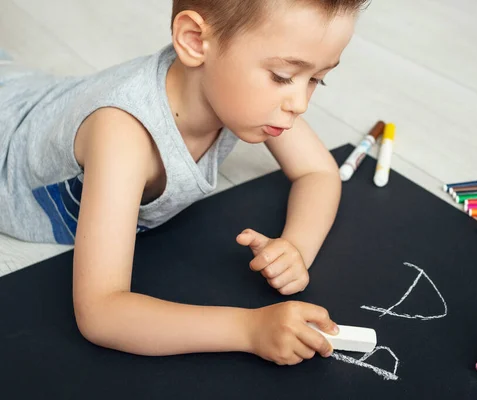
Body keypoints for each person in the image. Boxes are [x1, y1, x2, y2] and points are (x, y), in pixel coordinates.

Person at [0, 0, 369, 365]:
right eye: (282, 76)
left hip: (41, 98)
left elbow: (318, 172)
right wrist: (250, 329)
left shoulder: (249, 99)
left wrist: (296, 247)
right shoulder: (124, 136)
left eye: (317, 79)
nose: (300, 102)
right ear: (194, 41)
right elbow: (101, 313)